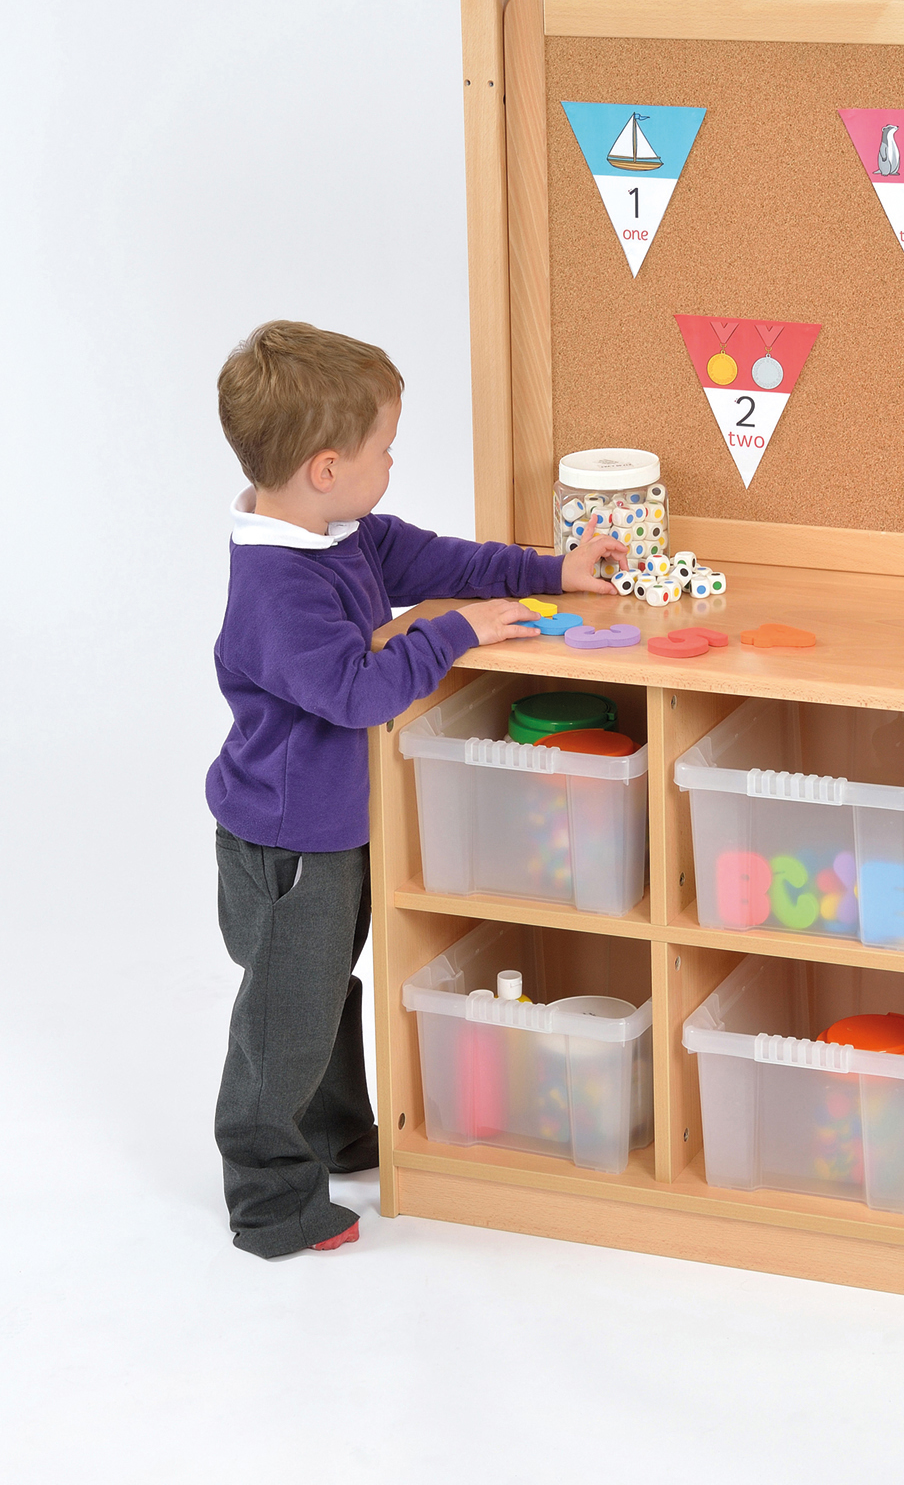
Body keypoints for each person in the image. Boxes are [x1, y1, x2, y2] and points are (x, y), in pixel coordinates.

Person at [206, 320, 625, 1256]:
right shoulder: (278, 588)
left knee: (323, 992)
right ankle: (270, 1201)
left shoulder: (338, 536)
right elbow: (357, 690)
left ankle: (331, 1132)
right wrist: (454, 633)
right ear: (325, 468)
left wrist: (549, 572)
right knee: (285, 1017)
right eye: (384, 449)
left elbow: (436, 561)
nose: (393, 463)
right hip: (286, 845)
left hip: (334, 831)